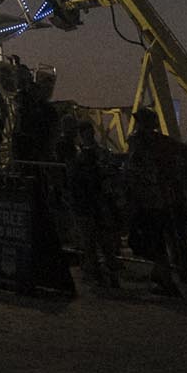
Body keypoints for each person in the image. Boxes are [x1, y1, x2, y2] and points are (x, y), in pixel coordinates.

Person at [124, 108, 180, 296]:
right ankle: (161, 274)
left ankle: (166, 278)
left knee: (144, 240)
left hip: (146, 199)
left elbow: (135, 170)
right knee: (158, 239)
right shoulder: (163, 142)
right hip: (161, 198)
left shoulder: (139, 143)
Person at [63, 122, 122, 291]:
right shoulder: (100, 155)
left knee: (90, 243)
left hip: (87, 206)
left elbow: (73, 183)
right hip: (98, 205)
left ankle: (97, 275)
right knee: (104, 243)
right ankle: (111, 275)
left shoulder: (78, 160)